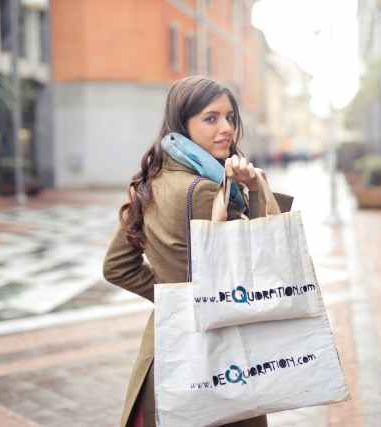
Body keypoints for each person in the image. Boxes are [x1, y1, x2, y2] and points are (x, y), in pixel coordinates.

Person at [103, 76, 292, 427]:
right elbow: (262, 260)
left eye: (231, 118)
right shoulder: (206, 191)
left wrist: (174, 297)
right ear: (182, 123)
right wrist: (255, 188)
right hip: (216, 360)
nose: (226, 129)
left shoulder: (150, 181)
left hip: (164, 352)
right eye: (211, 118)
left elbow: (117, 267)